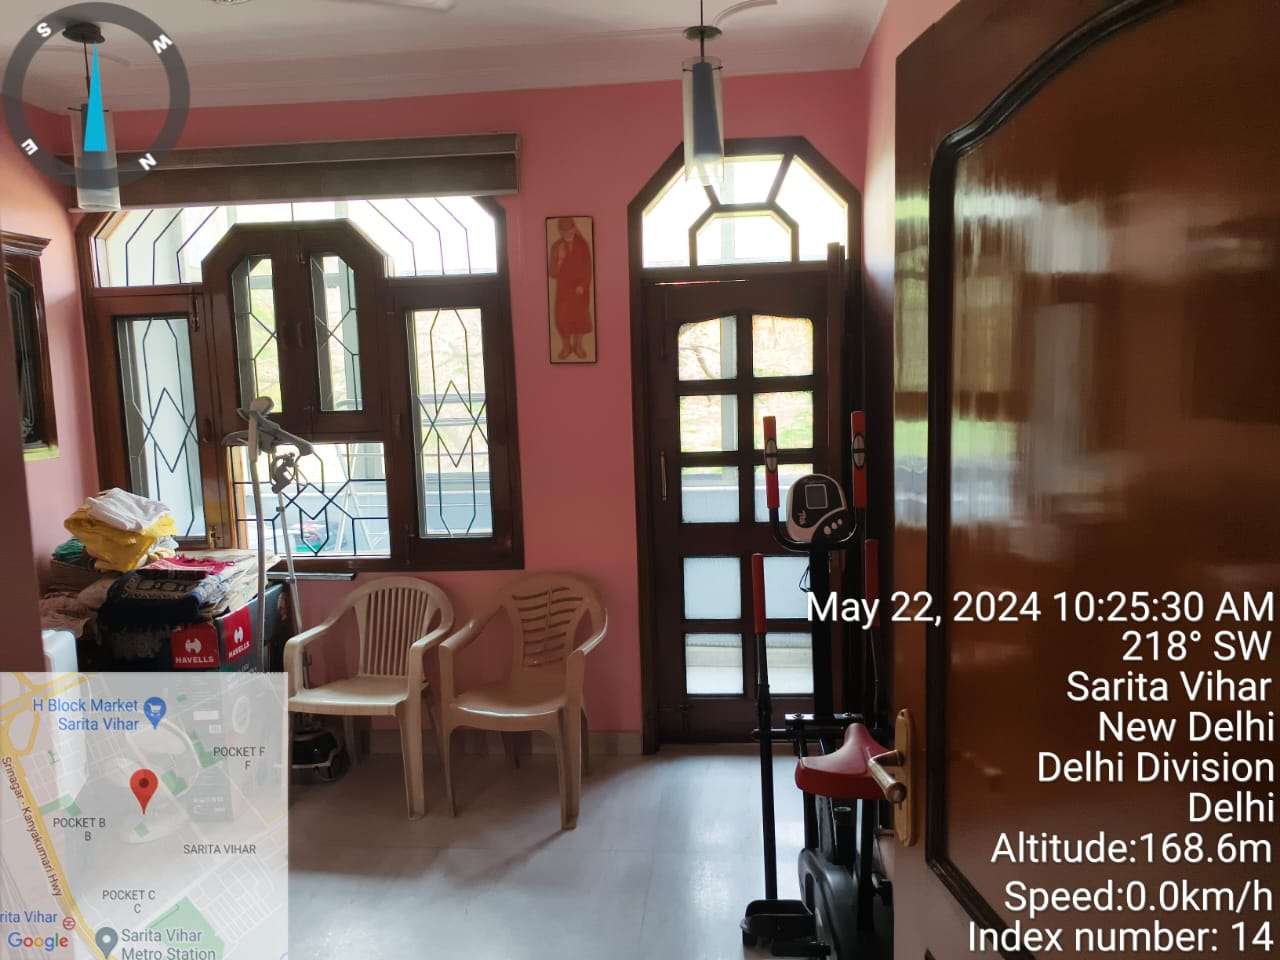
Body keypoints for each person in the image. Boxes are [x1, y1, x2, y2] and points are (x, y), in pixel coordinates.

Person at [549, 216, 593, 359]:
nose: (567, 233)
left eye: (570, 230)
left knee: (581, 318)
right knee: (563, 319)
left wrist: (583, 285)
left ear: (574, 228)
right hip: (564, 291)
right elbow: (552, 273)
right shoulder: (556, 246)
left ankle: (578, 346)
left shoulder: (583, 244)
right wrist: (560, 259)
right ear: (560, 231)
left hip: (580, 290)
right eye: (563, 231)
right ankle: (566, 347)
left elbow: (588, 268)